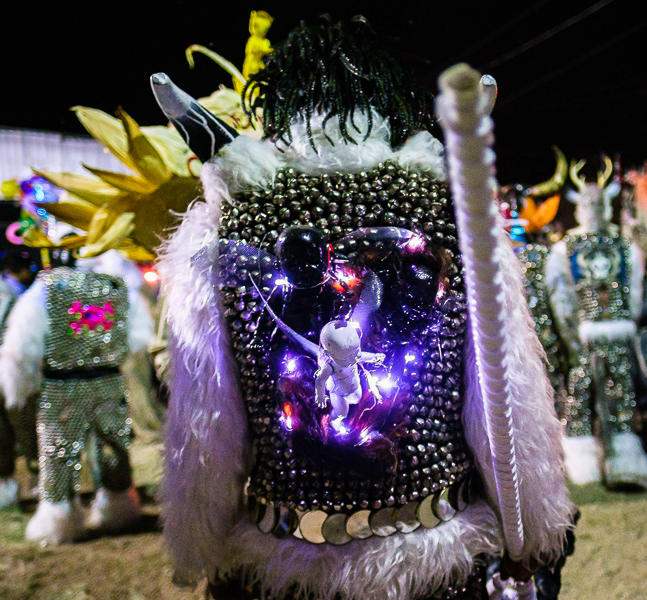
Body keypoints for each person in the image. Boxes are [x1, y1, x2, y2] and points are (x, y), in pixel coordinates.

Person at [153, 16, 573, 600]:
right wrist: (530, 526)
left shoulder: (238, 212)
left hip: (286, 551)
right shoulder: (443, 211)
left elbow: (206, 422)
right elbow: (505, 399)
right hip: (434, 550)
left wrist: (197, 539)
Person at [0, 249, 153, 543]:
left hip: (63, 385)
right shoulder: (114, 286)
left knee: (59, 453)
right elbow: (139, 333)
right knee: (112, 449)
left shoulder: (46, 288)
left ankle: (59, 516)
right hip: (108, 379)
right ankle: (118, 504)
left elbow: (21, 345)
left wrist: (21, 385)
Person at [545, 159, 647, 490]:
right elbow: (633, 295)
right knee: (610, 395)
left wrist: (570, 336)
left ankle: (596, 462)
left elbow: (562, 301)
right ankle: (612, 461)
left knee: (592, 396)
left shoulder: (567, 248)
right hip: (609, 333)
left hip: (590, 335)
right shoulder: (623, 246)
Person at [0, 250, 38, 509]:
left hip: (12, 367)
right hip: (11, 368)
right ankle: (33, 478)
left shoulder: (10, 292)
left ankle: (10, 483)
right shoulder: (10, 293)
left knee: (14, 425)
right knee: (21, 423)